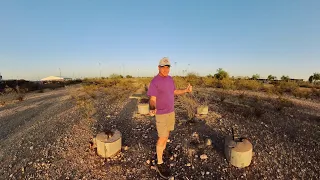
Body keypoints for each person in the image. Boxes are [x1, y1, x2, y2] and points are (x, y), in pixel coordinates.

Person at [147, 57, 192, 178]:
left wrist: (186, 90)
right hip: (161, 114)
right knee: (162, 137)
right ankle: (159, 162)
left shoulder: (170, 79)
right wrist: (152, 108)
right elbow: (152, 99)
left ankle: (162, 150)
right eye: (163, 67)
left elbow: (174, 91)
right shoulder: (154, 82)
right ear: (159, 67)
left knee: (166, 135)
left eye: (168, 67)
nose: (166, 69)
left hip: (171, 112)